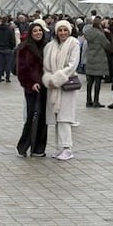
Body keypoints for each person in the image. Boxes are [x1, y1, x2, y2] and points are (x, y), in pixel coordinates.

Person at [42, 20, 81, 161]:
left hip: (66, 85)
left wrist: (57, 78)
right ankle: (60, 147)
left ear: (69, 31)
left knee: (65, 117)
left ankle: (67, 147)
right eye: (60, 30)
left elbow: (72, 65)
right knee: (57, 117)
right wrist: (49, 79)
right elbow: (45, 66)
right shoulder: (50, 46)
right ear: (56, 31)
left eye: (65, 30)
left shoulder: (74, 43)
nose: (63, 33)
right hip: (53, 85)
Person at [16, 23, 48, 158]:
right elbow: (21, 70)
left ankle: (38, 148)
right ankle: (23, 146)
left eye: (40, 30)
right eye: (35, 31)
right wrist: (30, 83)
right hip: (32, 88)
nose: (38, 33)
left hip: (45, 86)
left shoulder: (46, 46)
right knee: (32, 116)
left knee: (42, 118)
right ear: (30, 33)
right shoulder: (24, 48)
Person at [82, 17, 110, 108]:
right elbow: (107, 45)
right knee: (97, 82)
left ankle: (88, 100)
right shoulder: (100, 34)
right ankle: (96, 101)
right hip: (99, 59)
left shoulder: (88, 33)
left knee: (90, 82)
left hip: (90, 58)